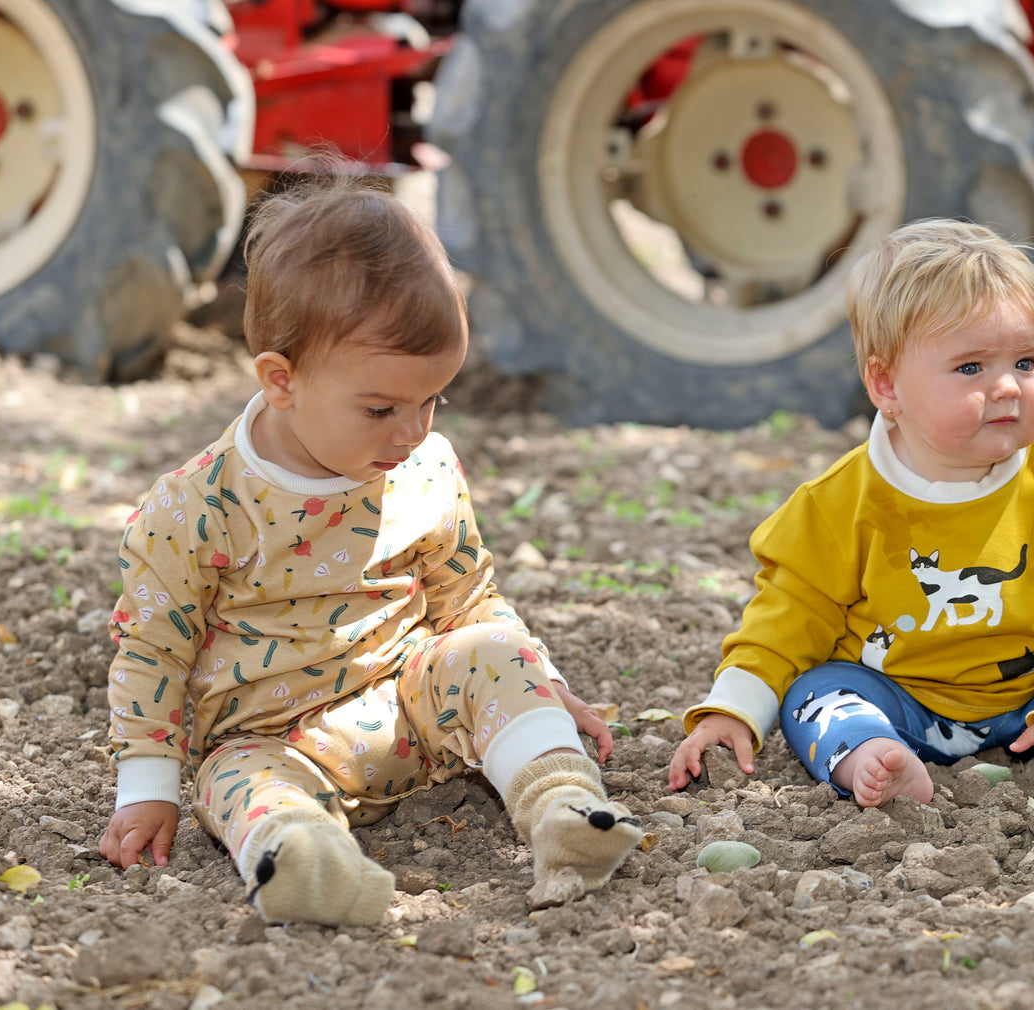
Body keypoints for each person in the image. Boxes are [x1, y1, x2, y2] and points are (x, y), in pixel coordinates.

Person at [98, 182, 642, 924]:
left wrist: (538, 688)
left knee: (491, 649)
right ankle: (309, 864)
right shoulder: (194, 509)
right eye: (382, 409)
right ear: (281, 380)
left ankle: (562, 806)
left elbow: (467, 595)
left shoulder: (423, 466)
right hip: (273, 740)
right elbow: (152, 653)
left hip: (415, 707)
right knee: (231, 780)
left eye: (431, 401)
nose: (411, 431)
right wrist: (147, 787)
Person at [668, 219, 1034, 810]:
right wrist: (735, 708)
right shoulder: (838, 502)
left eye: (1026, 362)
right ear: (886, 384)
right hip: (902, 699)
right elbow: (789, 613)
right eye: (972, 368)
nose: (1007, 387)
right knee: (816, 690)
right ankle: (874, 756)